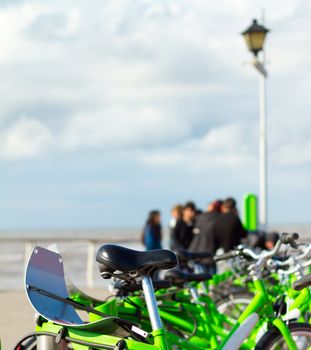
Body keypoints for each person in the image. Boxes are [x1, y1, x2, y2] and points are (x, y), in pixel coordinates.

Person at [189, 199, 223, 273]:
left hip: (195, 253)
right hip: (209, 253)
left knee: (199, 279)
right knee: (212, 280)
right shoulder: (218, 218)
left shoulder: (201, 217)